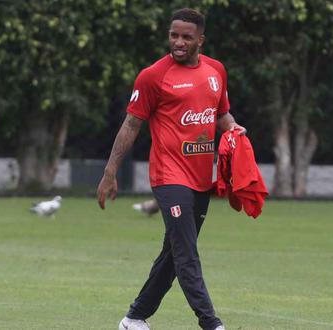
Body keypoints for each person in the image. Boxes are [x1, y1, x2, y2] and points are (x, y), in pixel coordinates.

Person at [97, 8, 246, 330]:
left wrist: (233, 128)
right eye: (173, 35)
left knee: (173, 253)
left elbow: (221, 113)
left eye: (186, 37)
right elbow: (131, 125)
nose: (178, 42)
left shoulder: (216, 71)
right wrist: (110, 173)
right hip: (169, 176)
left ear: (200, 40)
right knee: (187, 252)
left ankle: (134, 318)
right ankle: (211, 324)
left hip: (201, 177)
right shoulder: (153, 76)